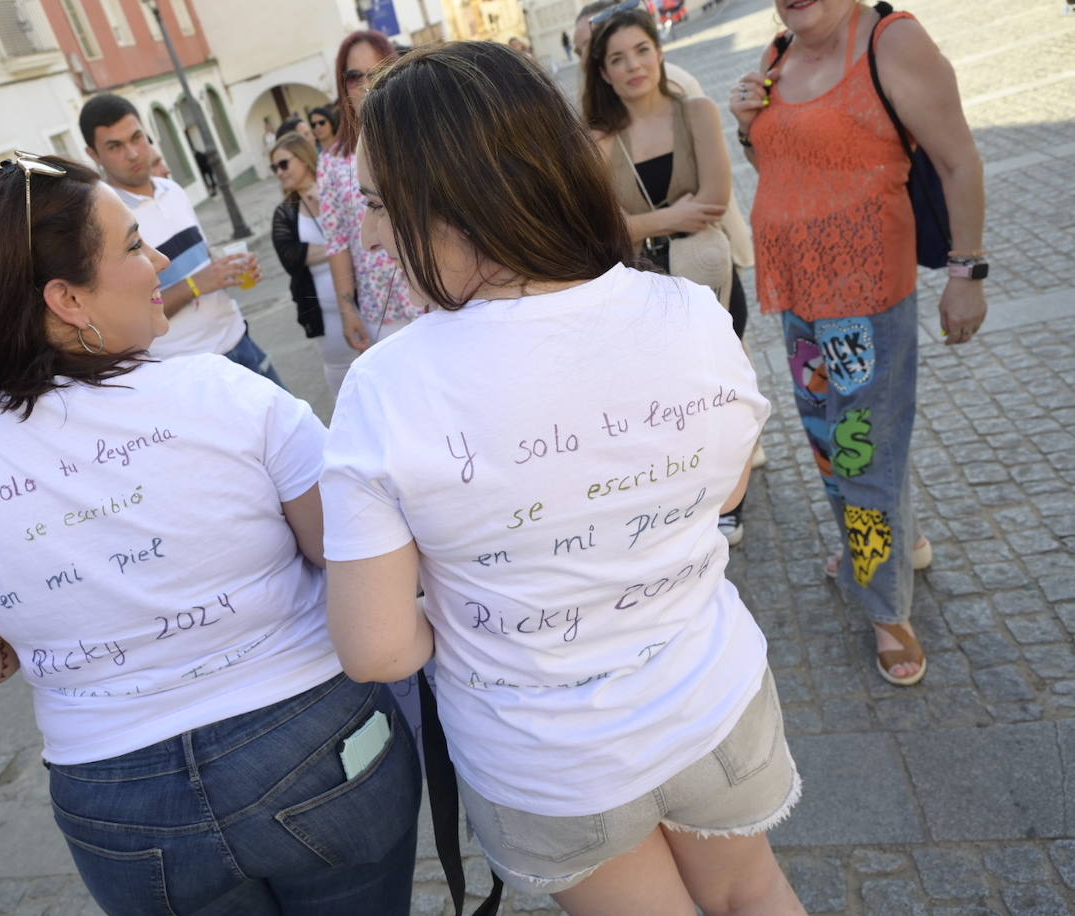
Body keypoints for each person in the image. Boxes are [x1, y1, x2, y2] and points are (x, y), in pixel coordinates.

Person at [322, 42, 803, 915]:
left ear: (454, 205)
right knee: (754, 895)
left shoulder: (386, 389)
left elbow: (379, 648)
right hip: (711, 696)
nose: (372, 236)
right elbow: (725, 494)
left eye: (381, 206)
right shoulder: (687, 313)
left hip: (549, 758)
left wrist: (493, 610)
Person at [0, 153, 422, 916]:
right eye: (135, 245)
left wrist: (17, 642)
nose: (162, 260)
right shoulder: (225, 392)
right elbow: (355, 549)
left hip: (117, 801)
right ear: (68, 298)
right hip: (314, 748)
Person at [732, 0, 986, 686]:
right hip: (799, 301)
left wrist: (966, 275)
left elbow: (958, 160)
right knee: (832, 440)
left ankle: (884, 605)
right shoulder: (778, 54)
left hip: (866, 301)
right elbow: (781, 165)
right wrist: (747, 125)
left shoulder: (892, 42)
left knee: (860, 449)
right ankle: (892, 545)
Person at [583, 6, 760, 547]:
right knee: (668, 406)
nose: (633, 65)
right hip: (642, 289)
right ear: (604, 73)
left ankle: (733, 499)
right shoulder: (600, 138)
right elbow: (601, 226)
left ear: (659, 53)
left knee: (723, 397)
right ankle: (688, 499)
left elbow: (715, 199)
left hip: (709, 278)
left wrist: (643, 224)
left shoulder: (697, 112)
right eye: (617, 58)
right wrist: (672, 216)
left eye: (641, 50)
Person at [79, 94, 282, 386]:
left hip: (239, 339)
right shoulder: (104, 223)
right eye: (115, 146)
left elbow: (201, 260)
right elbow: (129, 318)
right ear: (94, 155)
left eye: (137, 138)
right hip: (187, 370)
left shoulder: (172, 190)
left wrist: (229, 269)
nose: (134, 153)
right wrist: (195, 285)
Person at [319, 31, 424, 352]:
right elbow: (337, 241)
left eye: (377, 72)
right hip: (382, 306)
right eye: (354, 76)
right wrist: (348, 309)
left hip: (437, 290)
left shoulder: (422, 140)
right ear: (342, 85)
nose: (365, 84)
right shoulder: (333, 160)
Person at [270, 134, 357, 396]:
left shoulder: (333, 191)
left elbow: (360, 235)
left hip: (363, 304)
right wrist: (341, 247)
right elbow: (291, 257)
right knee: (340, 380)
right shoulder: (285, 212)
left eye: (284, 164)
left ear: (304, 158)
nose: (279, 173)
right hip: (322, 316)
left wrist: (327, 205)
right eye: (274, 168)